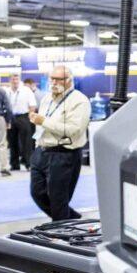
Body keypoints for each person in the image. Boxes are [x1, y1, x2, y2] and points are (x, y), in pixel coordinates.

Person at [28, 66, 90, 221]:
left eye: (59, 79)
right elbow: (41, 126)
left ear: (69, 80)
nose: (54, 82)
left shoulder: (79, 100)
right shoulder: (46, 98)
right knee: (37, 193)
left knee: (58, 200)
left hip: (63, 154)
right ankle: (71, 219)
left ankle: (61, 228)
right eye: (52, 79)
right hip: (42, 151)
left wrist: (44, 121)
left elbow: (73, 130)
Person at [6, 73, 36, 171]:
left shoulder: (26, 90)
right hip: (11, 117)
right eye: (13, 79)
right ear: (10, 80)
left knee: (26, 142)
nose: (15, 81)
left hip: (23, 117)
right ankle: (14, 164)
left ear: (19, 80)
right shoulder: (6, 91)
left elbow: (32, 105)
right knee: (12, 141)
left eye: (17, 79)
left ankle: (28, 164)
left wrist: (30, 117)